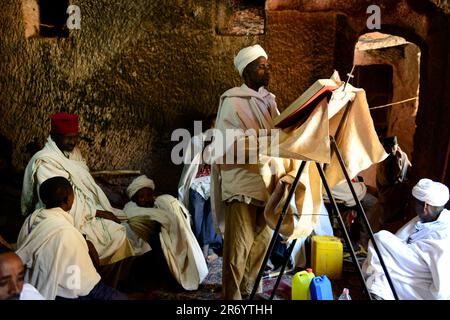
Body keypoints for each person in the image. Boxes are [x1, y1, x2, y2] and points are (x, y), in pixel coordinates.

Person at [21, 112, 148, 265]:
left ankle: (121, 273)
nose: (72, 141)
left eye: (75, 136)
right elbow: (57, 199)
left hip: (83, 208)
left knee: (125, 228)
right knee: (115, 234)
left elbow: (83, 188)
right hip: (64, 213)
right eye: (68, 137)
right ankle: (106, 277)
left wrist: (97, 209)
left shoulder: (74, 154)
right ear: (53, 135)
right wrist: (97, 212)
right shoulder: (45, 162)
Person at [211, 44, 278, 299]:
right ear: (247, 71)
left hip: (266, 182)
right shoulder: (232, 102)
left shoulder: (269, 101)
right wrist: (268, 143)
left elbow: (281, 134)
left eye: (267, 65)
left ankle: (249, 292)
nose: (266, 70)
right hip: (241, 184)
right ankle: (231, 299)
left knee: (262, 240)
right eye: (261, 66)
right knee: (238, 248)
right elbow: (229, 146)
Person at [16, 176, 127, 300]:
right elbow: (83, 283)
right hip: (62, 292)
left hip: (33, 285)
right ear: (68, 200)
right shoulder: (67, 232)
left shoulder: (32, 219)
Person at [363, 178, 450, 300]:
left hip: (422, 282)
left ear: (425, 206)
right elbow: (400, 239)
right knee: (381, 278)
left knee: (379, 239)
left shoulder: (445, 234)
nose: (414, 207)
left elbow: (442, 289)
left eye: (415, 203)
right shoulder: (425, 219)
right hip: (408, 272)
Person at [123, 175, 208, 291]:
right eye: (141, 197)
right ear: (135, 199)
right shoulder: (132, 209)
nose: (146, 199)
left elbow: (172, 220)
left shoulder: (159, 203)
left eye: (148, 195)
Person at [178, 113, 222, 262]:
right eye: (215, 125)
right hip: (197, 182)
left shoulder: (223, 142)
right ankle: (198, 246)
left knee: (212, 214)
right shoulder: (196, 141)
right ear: (210, 125)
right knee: (196, 214)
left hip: (214, 182)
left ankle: (208, 246)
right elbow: (192, 162)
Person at [372, 136, 412, 231]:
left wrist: (399, 159)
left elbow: (409, 171)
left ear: (397, 146)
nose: (391, 150)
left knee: (397, 219)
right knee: (385, 219)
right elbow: (385, 180)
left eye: (393, 148)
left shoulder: (403, 156)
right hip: (387, 194)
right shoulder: (382, 161)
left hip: (399, 195)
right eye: (389, 148)